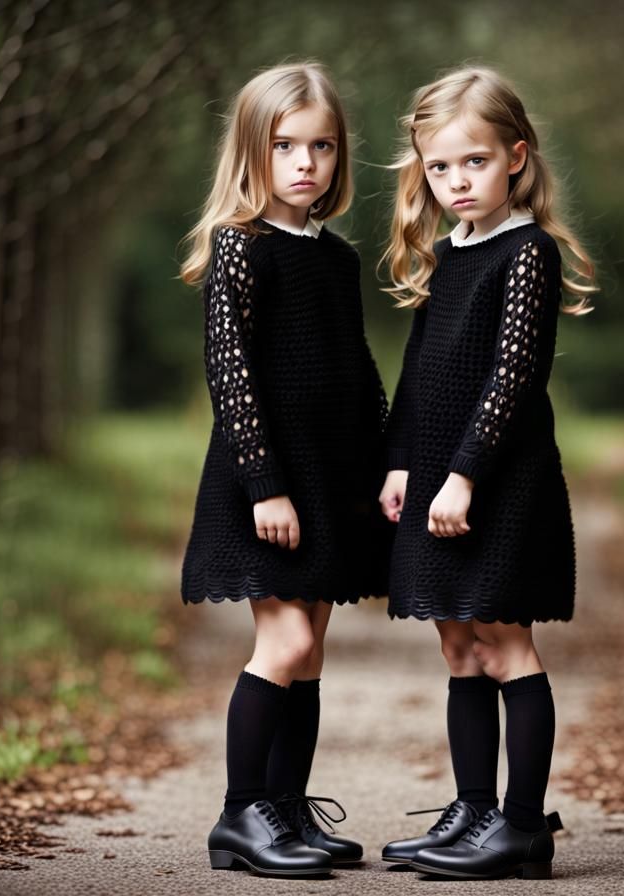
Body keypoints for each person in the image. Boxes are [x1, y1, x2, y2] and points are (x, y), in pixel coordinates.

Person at [377, 65, 597, 880]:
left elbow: (512, 378)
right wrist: (401, 462)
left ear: (516, 156)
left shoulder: (528, 252)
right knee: (459, 645)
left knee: (504, 643)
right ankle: (473, 813)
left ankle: (523, 828)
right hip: (435, 475)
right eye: (440, 167)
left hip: (498, 481)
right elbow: (419, 373)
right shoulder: (446, 256)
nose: (457, 181)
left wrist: (465, 476)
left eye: (474, 161)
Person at [178, 61, 390, 878]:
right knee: (286, 639)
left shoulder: (335, 259)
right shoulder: (240, 249)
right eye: (285, 146)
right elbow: (230, 377)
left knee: (312, 648)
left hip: (330, 480)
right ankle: (240, 814)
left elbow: (357, 368)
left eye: (322, 146)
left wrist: (386, 461)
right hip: (264, 481)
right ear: (251, 152)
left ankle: (288, 807)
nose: (306, 163)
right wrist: (264, 486)